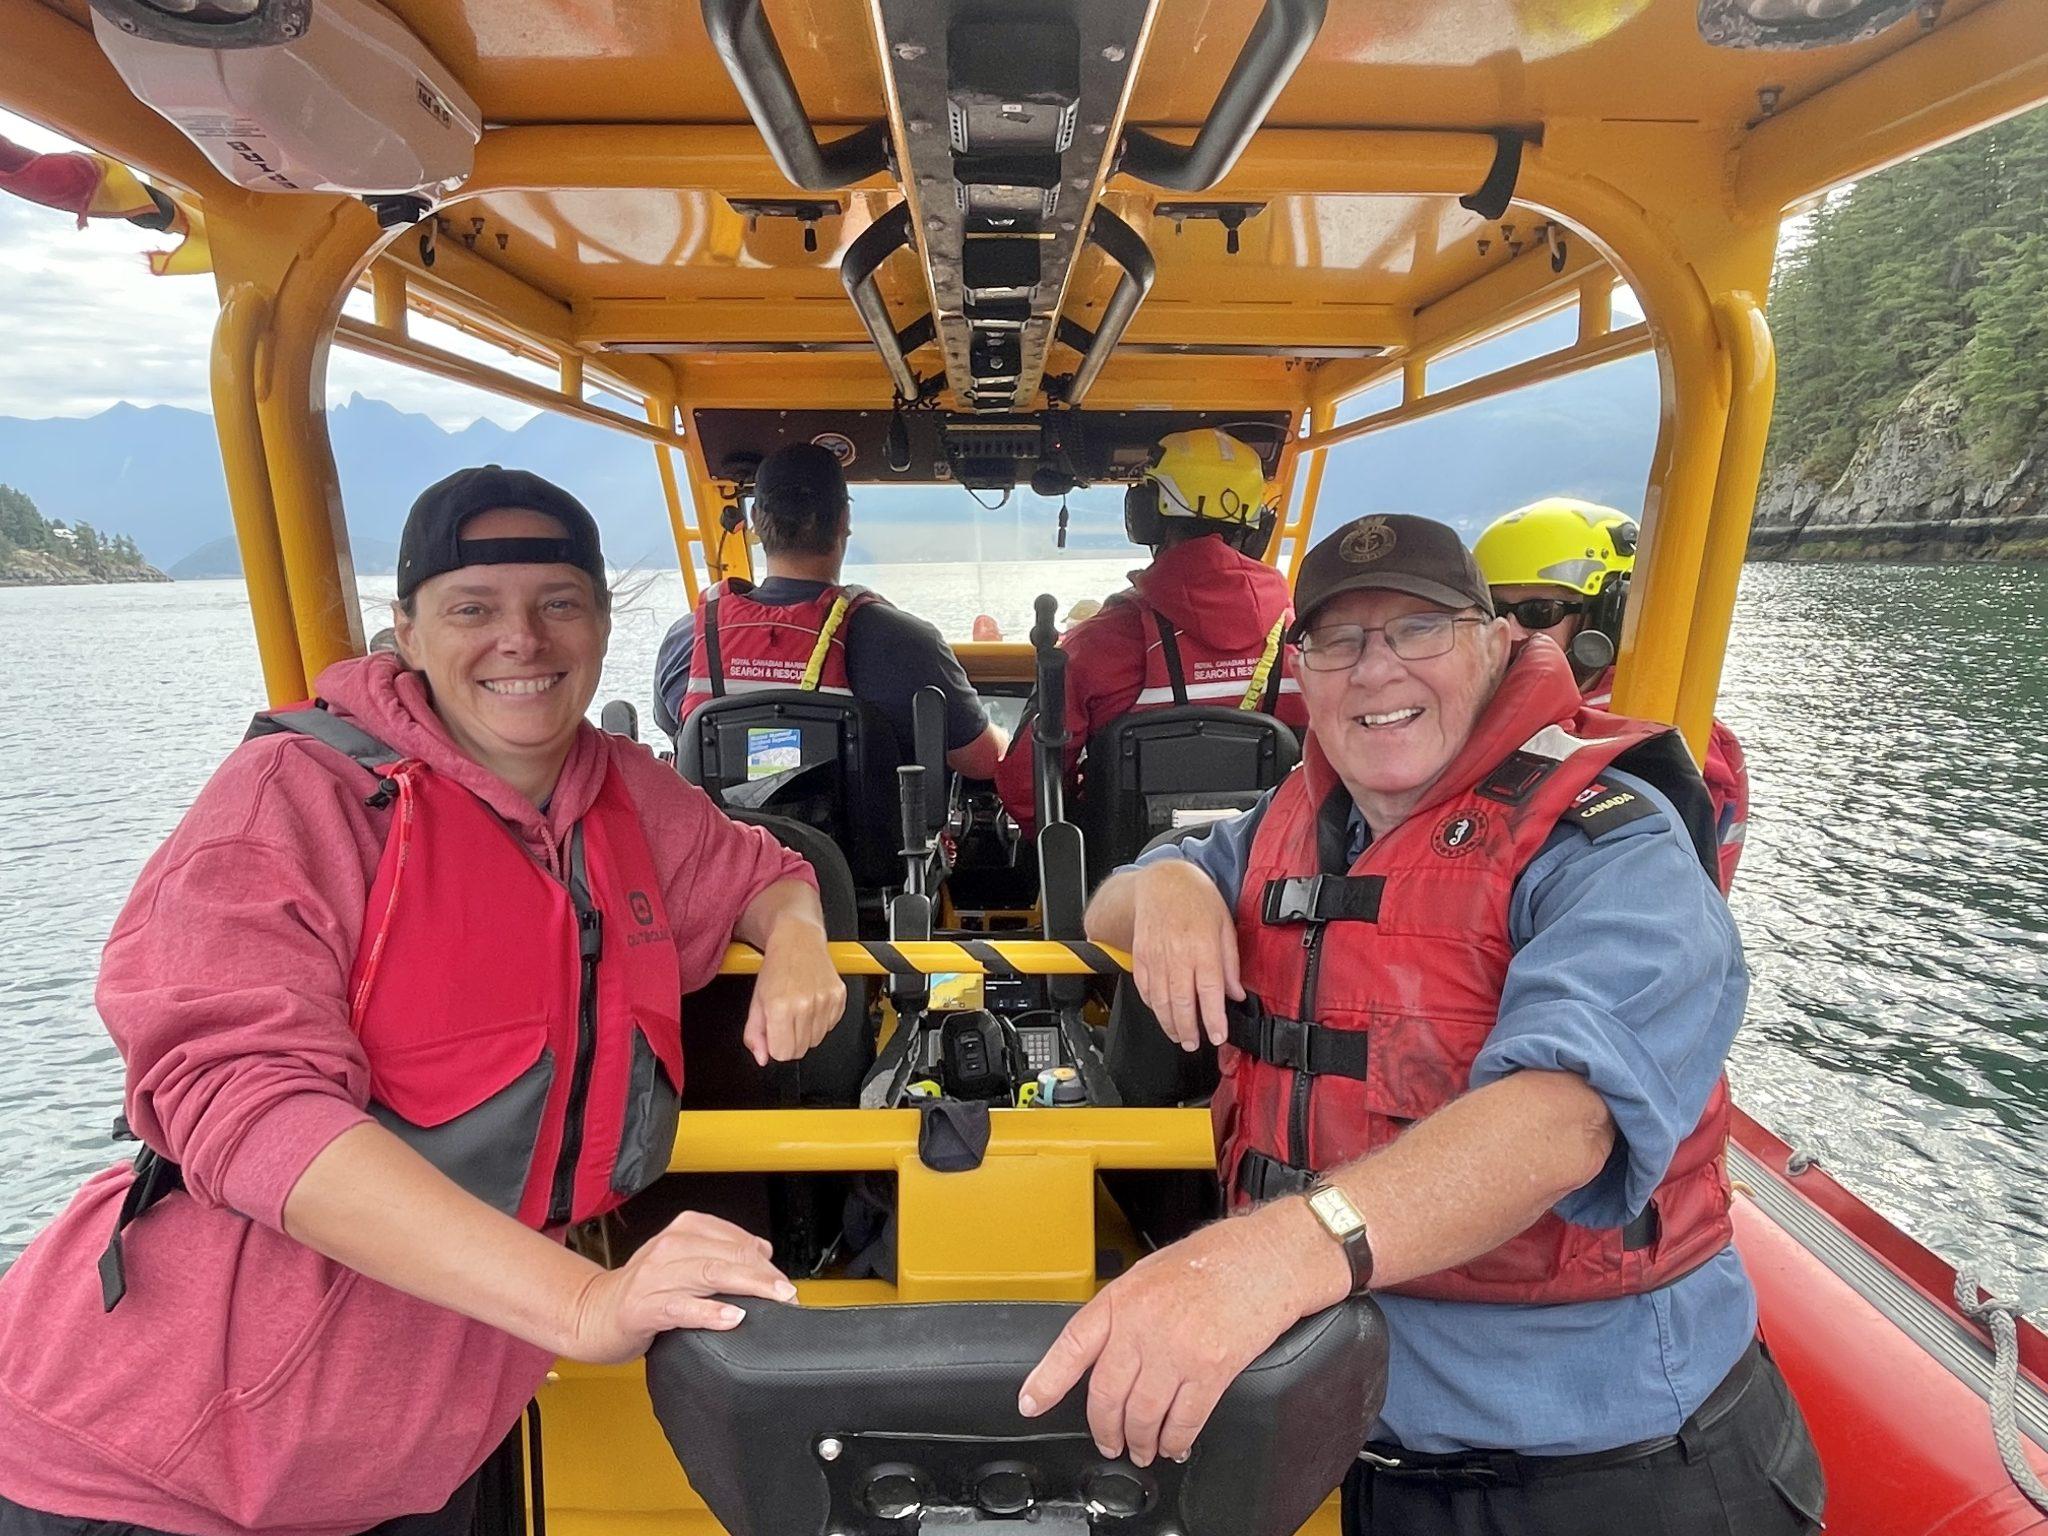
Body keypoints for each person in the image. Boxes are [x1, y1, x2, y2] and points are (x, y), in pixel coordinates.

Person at [0, 466, 848, 1534]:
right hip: (160, 1465)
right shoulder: (292, 797)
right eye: (472, 609)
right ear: (405, 630)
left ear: (601, 622)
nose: (521, 641)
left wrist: (798, 941)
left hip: (416, 1458)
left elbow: (762, 868)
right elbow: (245, 1103)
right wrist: (584, 1301)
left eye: (557, 604)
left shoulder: (622, 792)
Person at [1017, 514, 1823, 1536]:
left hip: (1606, 1475)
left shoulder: (1612, 847)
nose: (1375, 668)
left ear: (1494, 644)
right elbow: (1107, 906)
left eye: (1417, 629)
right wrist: (1167, 884)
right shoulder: (1298, 817)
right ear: (1302, 670)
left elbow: (1561, 1120)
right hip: (1364, 1448)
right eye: (1338, 640)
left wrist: (1267, 1259)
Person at [993, 429, 1306, 833]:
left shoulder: (1097, 643)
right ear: (1259, 526)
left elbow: (1027, 788)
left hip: (1129, 870)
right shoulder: (1308, 638)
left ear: (1146, 516)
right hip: (1274, 865)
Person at [653, 442, 1007, 778]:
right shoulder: (905, 642)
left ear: (756, 521)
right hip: (856, 828)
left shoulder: (685, 640)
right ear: (843, 519)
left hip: (717, 827)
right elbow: (985, 761)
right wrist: (1004, 734)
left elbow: (680, 736)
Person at [1474, 497, 1750, 890]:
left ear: (1610, 616)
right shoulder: (1484, 716)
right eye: (1493, 613)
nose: (1510, 632)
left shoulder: (1663, 746)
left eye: (1539, 612)